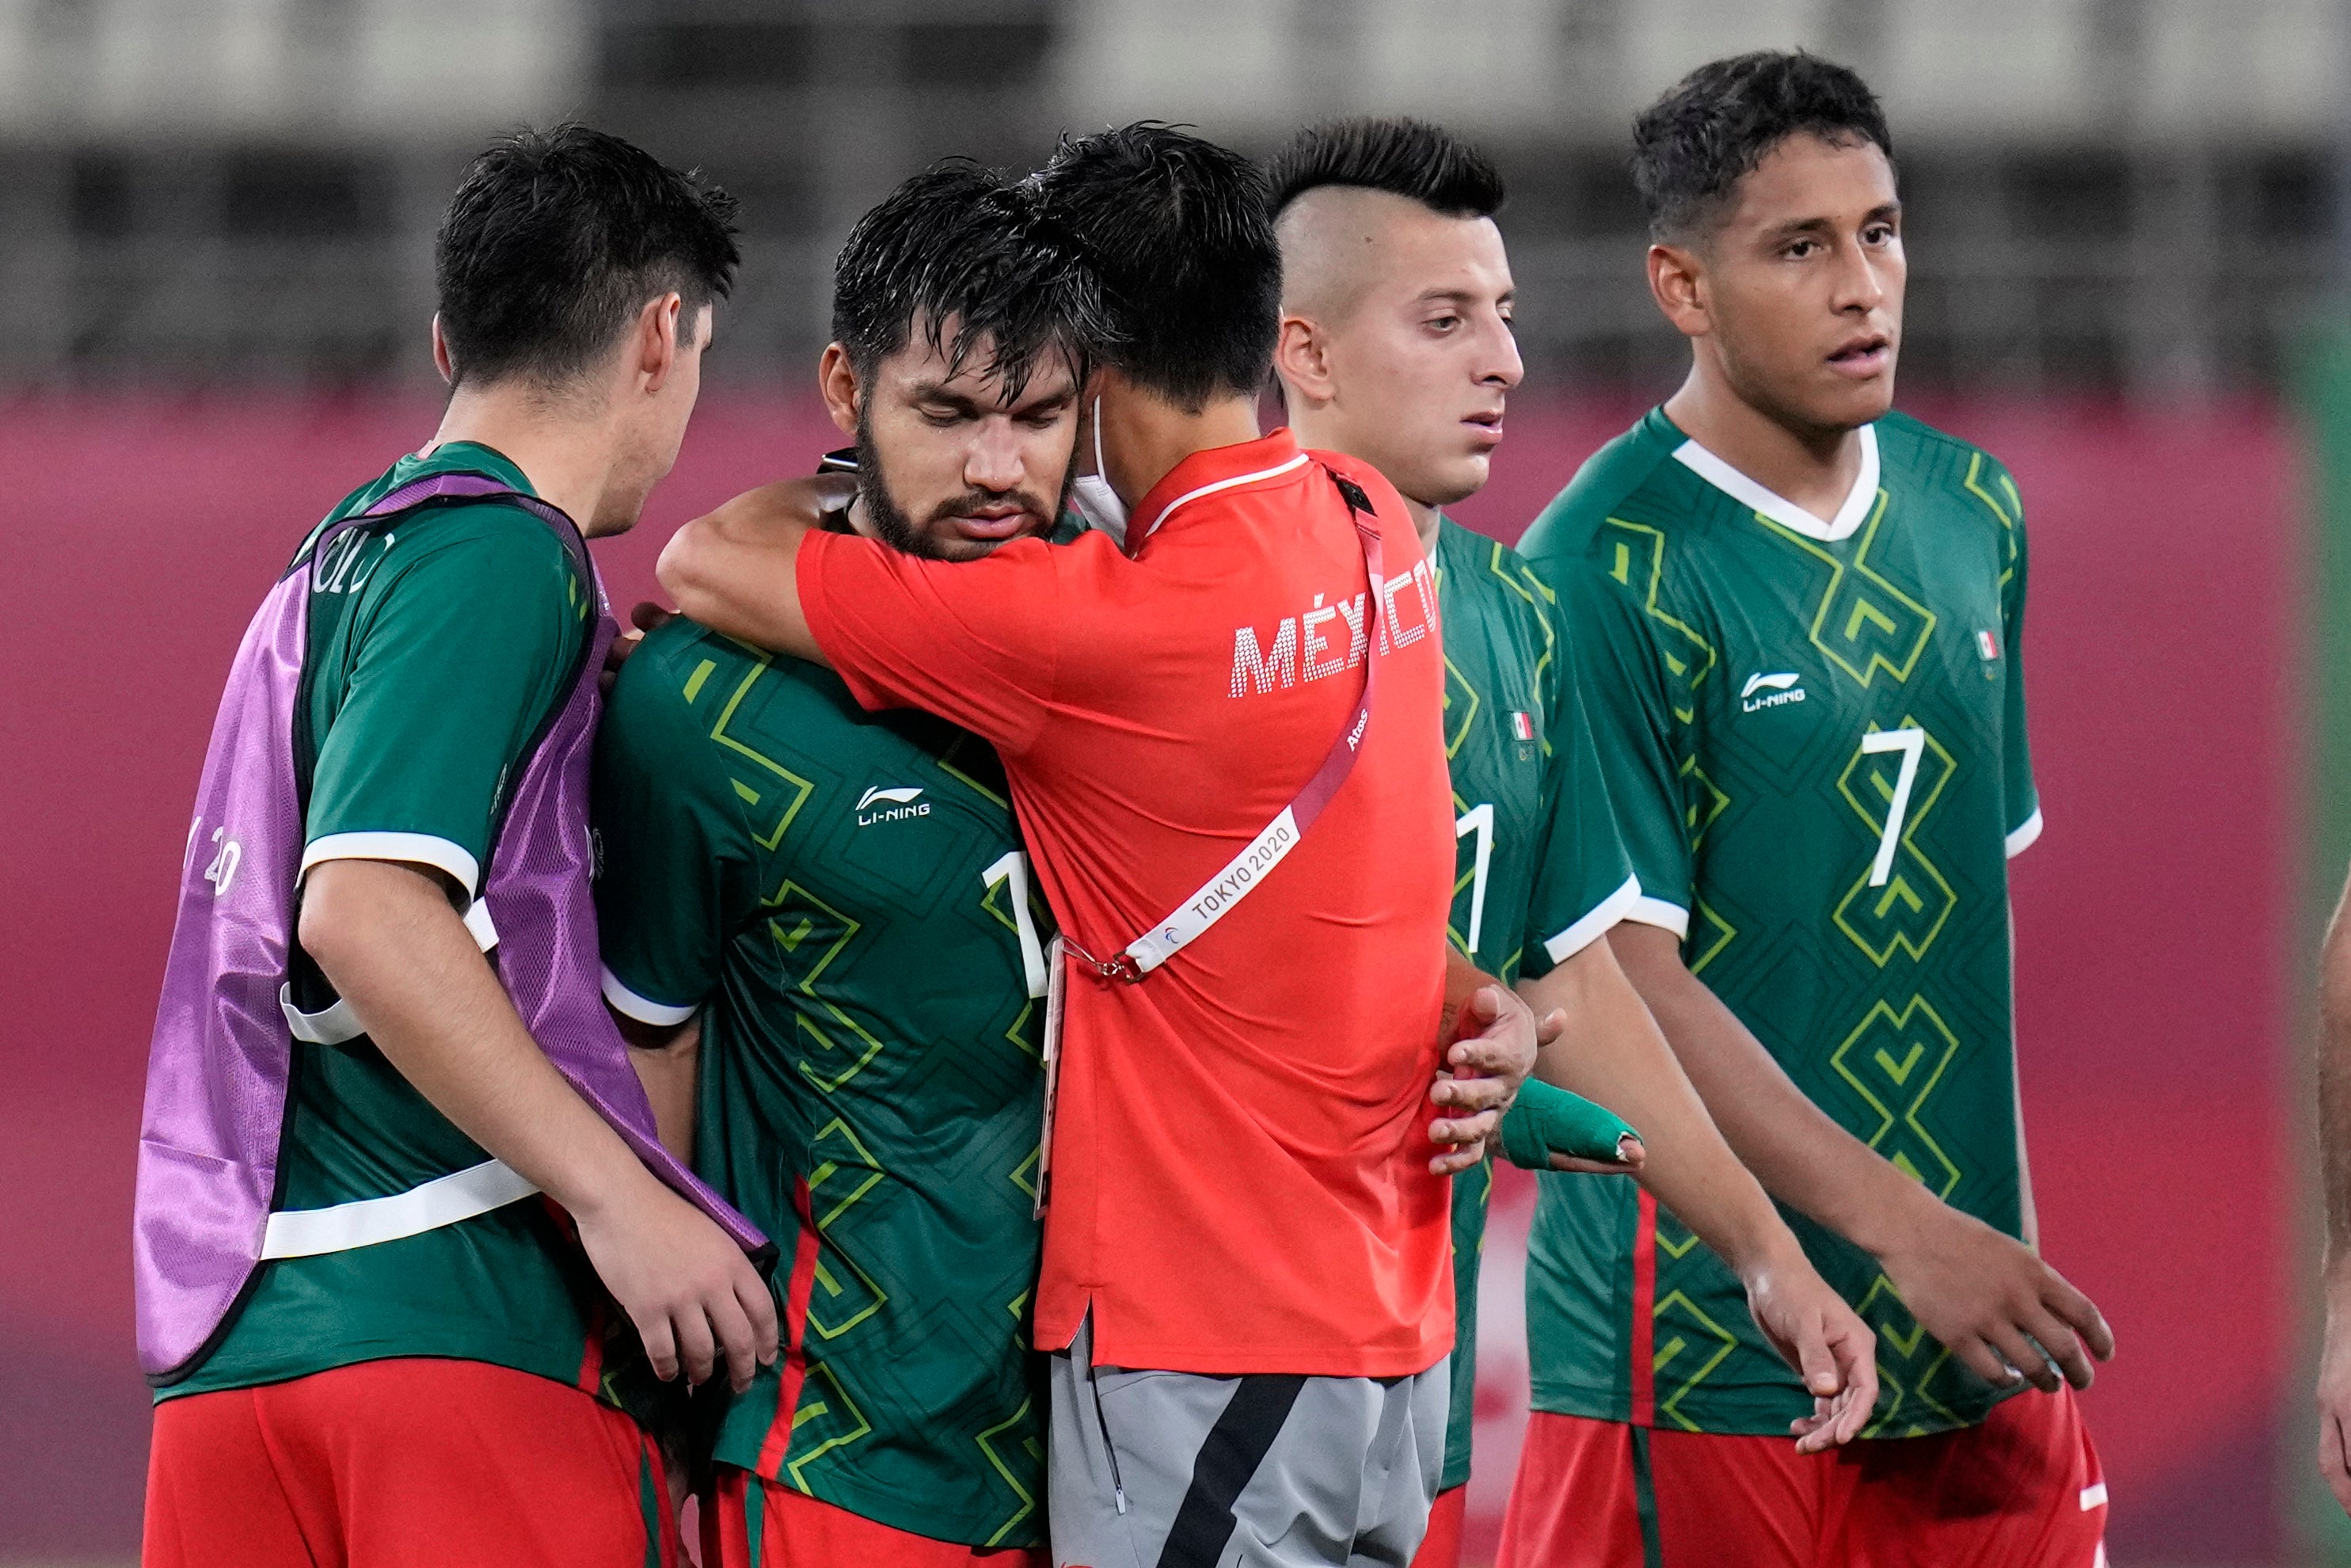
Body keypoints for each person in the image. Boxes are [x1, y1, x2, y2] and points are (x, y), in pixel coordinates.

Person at [655, 124, 1548, 1567]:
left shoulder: (1086, 631)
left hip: (1210, 1348)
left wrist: (845, 488)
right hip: (1392, 1344)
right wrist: (1480, 1003)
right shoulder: (1370, 524)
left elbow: (702, 561)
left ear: (1093, 369)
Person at [1501, 53, 2115, 1566]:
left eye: (1881, 232)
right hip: (1706, 1361)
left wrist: (1983, 1245)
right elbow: (1621, 983)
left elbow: (1961, 941)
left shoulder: (1972, 511)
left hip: (1967, 1333)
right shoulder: (1600, 564)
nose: (1863, 287)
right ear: (1681, 285)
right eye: (1800, 247)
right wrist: (1904, 1231)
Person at [136, 126, 776, 1568]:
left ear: (445, 340)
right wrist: (624, 1203)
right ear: (663, 334)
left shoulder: (337, 554)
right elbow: (363, 911)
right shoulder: (501, 553)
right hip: (452, 1326)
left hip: (242, 1360)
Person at [1267, 116, 1886, 1568]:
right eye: (1443, 320)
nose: (1503, 362)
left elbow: (1576, 986)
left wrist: (1764, 1255)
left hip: (1413, 1339)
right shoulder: (1182, 599)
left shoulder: (1520, 618)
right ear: (1304, 353)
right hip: (1210, 1339)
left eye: (1505, 317)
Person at [594, 162, 1100, 1568]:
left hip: (1143, 1455)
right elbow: (655, 1070)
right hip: (844, 1463)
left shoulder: (1142, 653)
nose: (997, 469)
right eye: (944, 415)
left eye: (1038, 417)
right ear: (843, 388)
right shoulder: (698, 707)